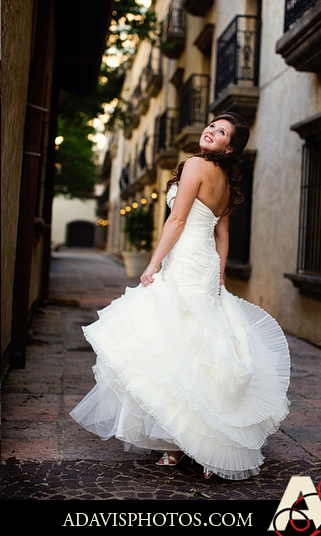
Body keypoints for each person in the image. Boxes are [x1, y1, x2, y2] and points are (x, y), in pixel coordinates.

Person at [70, 112, 290, 480]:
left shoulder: (195, 165)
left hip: (185, 261)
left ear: (229, 146)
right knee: (198, 347)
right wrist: (219, 272)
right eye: (211, 125)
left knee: (176, 344)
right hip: (202, 265)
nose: (210, 130)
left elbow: (177, 220)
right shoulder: (228, 182)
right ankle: (188, 443)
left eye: (220, 131)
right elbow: (222, 236)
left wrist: (153, 264)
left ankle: (184, 444)